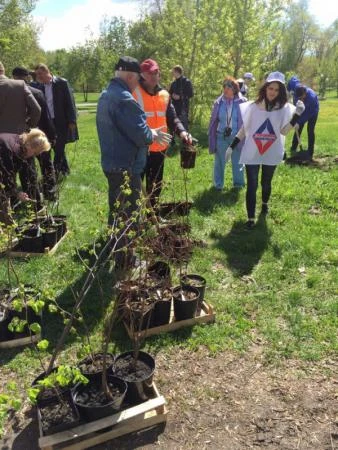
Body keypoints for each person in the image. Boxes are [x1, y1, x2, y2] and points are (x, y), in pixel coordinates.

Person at [96, 56, 171, 267]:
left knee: (117, 209)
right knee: (129, 215)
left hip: (111, 163)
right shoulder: (126, 100)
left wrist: (148, 131)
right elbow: (141, 136)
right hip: (126, 166)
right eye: (137, 78)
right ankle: (126, 259)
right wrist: (152, 134)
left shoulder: (106, 95)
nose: (138, 83)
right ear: (130, 76)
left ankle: (114, 246)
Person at [226, 71, 305, 228]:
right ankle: (250, 218)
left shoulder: (283, 109)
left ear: (280, 92)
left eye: (276, 90)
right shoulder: (253, 107)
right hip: (252, 151)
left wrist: (296, 115)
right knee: (252, 184)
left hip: (271, 150)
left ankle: (264, 203)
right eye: (271, 88)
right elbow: (245, 129)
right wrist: (232, 146)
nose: (273, 92)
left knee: (266, 182)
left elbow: (283, 131)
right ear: (266, 88)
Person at [133, 59, 191, 208]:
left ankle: (152, 217)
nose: (154, 75)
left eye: (156, 72)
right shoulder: (134, 93)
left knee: (155, 185)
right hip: (139, 149)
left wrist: (183, 132)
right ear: (142, 75)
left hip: (159, 148)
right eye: (149, 73)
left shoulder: (165, 94)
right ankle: (135, 220)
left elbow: (173, 118)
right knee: (135, 188)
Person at [12, 66, 57, 200]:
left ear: (14, 77)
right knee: (47, 165)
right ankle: (50, 192)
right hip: (39, 135)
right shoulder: (36, 92)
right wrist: (51, 135)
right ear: (27, 77)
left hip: (21, 138)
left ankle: (30, 196)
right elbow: (46, 117)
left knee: (26, 169)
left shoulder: (11, 93)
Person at [34, 63, 78, 177]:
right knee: (54, 145)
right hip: (47, 122)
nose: (38, 76)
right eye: (36, 74)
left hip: (61, 121)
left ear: (46, 71)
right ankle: (65, 170)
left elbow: (70, 102)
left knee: (59, 147)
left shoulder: (61, 83)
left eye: (40, 74)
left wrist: (72, 120)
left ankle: (55, 173)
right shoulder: (39, 87)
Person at [0, 129, 50, 226]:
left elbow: (24, 174)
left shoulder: (21, 143)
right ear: (30, 147)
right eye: (36, 153)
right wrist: (16, 193)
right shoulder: (10, 149)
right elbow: (5, 177)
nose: (36, 155)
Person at [208, 77, 247, 190]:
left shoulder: (243, 102)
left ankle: (238, 185)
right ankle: (218, 185)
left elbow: (247, 121)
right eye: (224, 86)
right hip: (221, 136)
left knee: (238, 161)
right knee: (219, 161)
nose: (225, 89)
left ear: (235, 89)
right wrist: (212, 136)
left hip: (237, 136)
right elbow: (213, 121)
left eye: (228, 86)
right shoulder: (218, 102)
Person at [0, 61, 41, 134]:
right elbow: (36, 109)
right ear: (3, 70)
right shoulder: (20, 85)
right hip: (17, 136)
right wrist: (28, 125)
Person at [287, 76, 319, 160]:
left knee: (310, 130)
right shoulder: (295, 86)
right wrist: (288, 91)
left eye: (302, 97)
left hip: (312, 112)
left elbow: (307, 114)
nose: (300, 99)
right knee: (298, 128)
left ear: (305, 93)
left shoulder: (311, 98)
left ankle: (310, 151)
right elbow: (292, 79)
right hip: (301, 109)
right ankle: (293, 148)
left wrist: (298, 121)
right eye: (298, 97)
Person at [169, 65, 194, 130]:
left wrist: (180, 97)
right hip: (174, 109)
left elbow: (191, 94)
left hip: (183, 109)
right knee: (173, 128)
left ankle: (186, 139)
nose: (172, 73)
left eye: (173, 72)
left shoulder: (186, 82)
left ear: (177, 72)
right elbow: (170, 93)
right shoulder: (173, 83)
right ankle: (172, 140)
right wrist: (172, 95)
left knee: (184, 129)